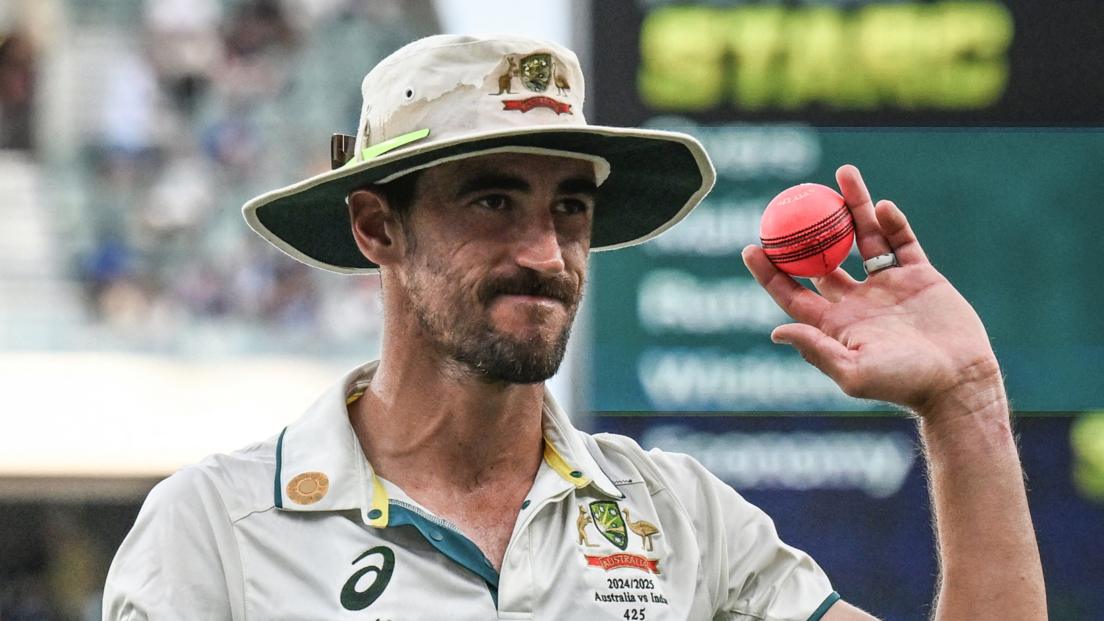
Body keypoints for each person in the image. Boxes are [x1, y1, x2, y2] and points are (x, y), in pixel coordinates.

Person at [103, 34, 1046, 620]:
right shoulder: (213, 531)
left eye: (570, 209)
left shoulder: (684, 519)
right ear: (376, 226)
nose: (547, 254)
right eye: (492, 200)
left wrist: (965, 403)